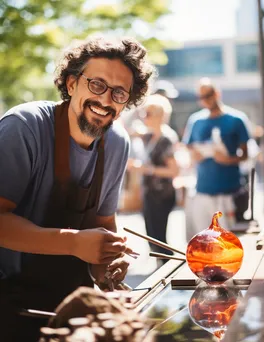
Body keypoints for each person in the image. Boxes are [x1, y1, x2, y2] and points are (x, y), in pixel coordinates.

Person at [0, 36, 155, 341]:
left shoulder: (117, 143)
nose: (106, 100)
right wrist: (74, 243)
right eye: (96, 84)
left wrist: (108, 262)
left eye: (119, 93)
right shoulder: (24, 126)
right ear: (72, 84)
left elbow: (102, 224)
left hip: (69, 300)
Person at [182, 78, 249, 233]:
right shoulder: (195, 121)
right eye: (201, 97)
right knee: (205, 242)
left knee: (229, 242)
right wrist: (195, 155)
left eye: (208, 95)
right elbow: (188, 147)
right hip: (203, 191)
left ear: (217, 93)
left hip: (229, 192)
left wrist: (229, 160)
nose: (205, 100)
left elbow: (246, 154)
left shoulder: (236, 119)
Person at [128, 94, 179, 259]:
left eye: (147, 113)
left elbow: (173, 171)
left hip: (162, 194)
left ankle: (168, 271)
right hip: (149, 193)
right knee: (151, 237)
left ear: (159, 115)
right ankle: (163, 269)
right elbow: (128, 127)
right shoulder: (149, 136)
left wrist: (147, 169)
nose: (144, 117)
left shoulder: (166, 139)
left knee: (159, 239)